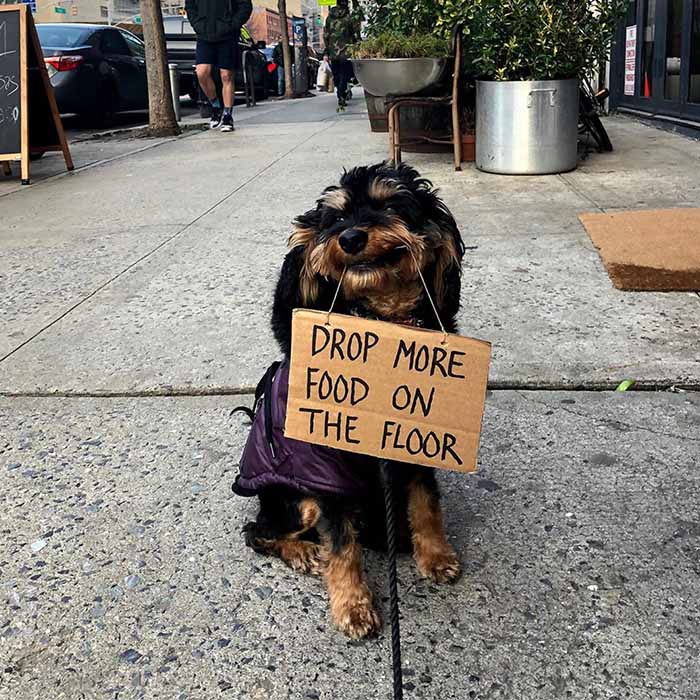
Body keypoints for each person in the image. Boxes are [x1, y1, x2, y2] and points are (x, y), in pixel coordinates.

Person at [185, 0, 252, 132]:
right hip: (204, 35)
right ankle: (216, 106)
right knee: (202, 72)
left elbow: (245, 6)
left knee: (226, 75)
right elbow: (190, 6)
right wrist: (198, 24)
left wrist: (231, 25)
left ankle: (227, 116)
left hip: (227, 36)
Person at [323, 0, 361, 111]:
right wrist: (358, 46)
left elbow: (326, 35)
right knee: (346, 74)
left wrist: (327, 51)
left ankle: (341, 93)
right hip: (346, 51)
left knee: (337, 75)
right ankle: (341, 93)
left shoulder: (329, 18)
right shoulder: (349, 18)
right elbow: (355, 34)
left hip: (333, 52)